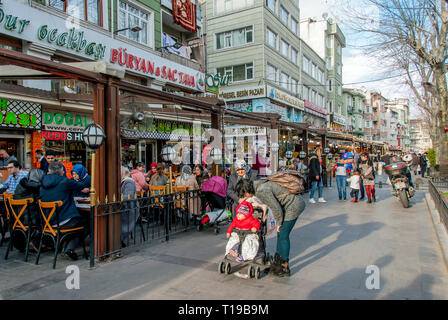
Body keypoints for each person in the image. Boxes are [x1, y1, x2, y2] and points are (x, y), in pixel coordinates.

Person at [254, 176, 306, 277]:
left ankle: (284, 267)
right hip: (290, 204)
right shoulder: (259, 184)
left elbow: (276, 208)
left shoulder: (261, 190)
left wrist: (279, 223)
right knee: (280, 234)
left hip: (294, 206)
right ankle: (277, 263)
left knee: (283, 234)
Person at [40, 161, 90, 260]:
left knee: (78, 219)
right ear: (62, 172)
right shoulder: (65, 181)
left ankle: (66, 245)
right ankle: (70, 247)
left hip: (48, 222)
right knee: (88, 220)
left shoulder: (42, 182)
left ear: (49, 172)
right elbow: (80, 186)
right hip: (63, 220)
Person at [120, 166, 139, 248]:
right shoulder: (123, 181)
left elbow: (128, 197)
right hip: (123, 206)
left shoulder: (128, 182)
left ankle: (119, 239)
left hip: (130, 208)